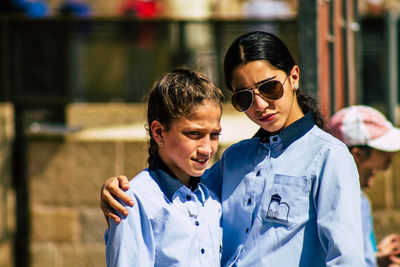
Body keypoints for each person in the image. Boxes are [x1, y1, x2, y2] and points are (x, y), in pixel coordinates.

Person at [101, 31, 365, 266]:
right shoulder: (234, 158)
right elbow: (180, 200)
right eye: (244, 97)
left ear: (293, 77)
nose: (260, 105)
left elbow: (347, 259)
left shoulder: (329, 156)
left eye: (270, 88)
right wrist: (120, 195)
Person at [105, 68, 224, 266]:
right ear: (159, 132)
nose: (206, 148)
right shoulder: (134, 202)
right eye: (194, 134)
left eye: (214, 135)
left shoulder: (213, 194)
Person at [329, 105, 400, 267]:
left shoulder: (356, 200)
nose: (387, 164)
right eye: (384, 154)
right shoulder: (353, 203)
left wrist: (375, 258)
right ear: (357, 155)